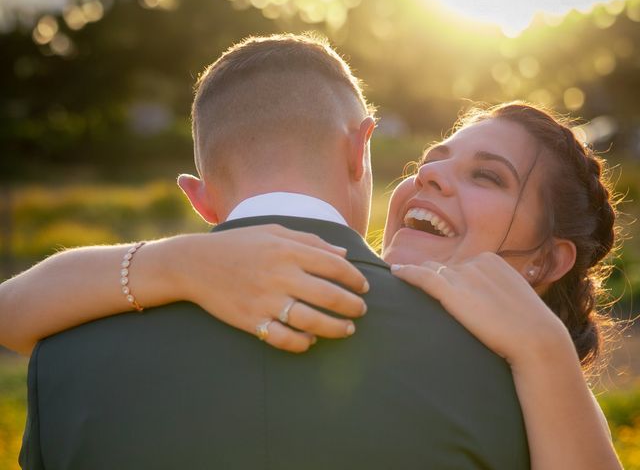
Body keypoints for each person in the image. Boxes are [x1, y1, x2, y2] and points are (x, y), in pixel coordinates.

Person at [4, 34, 621, 469]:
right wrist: (180, 264)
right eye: (430, 162)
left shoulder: (69, 352)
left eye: (488, 177)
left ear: (201, 199)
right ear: (361, 153)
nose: (430, 178)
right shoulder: (506, 386)